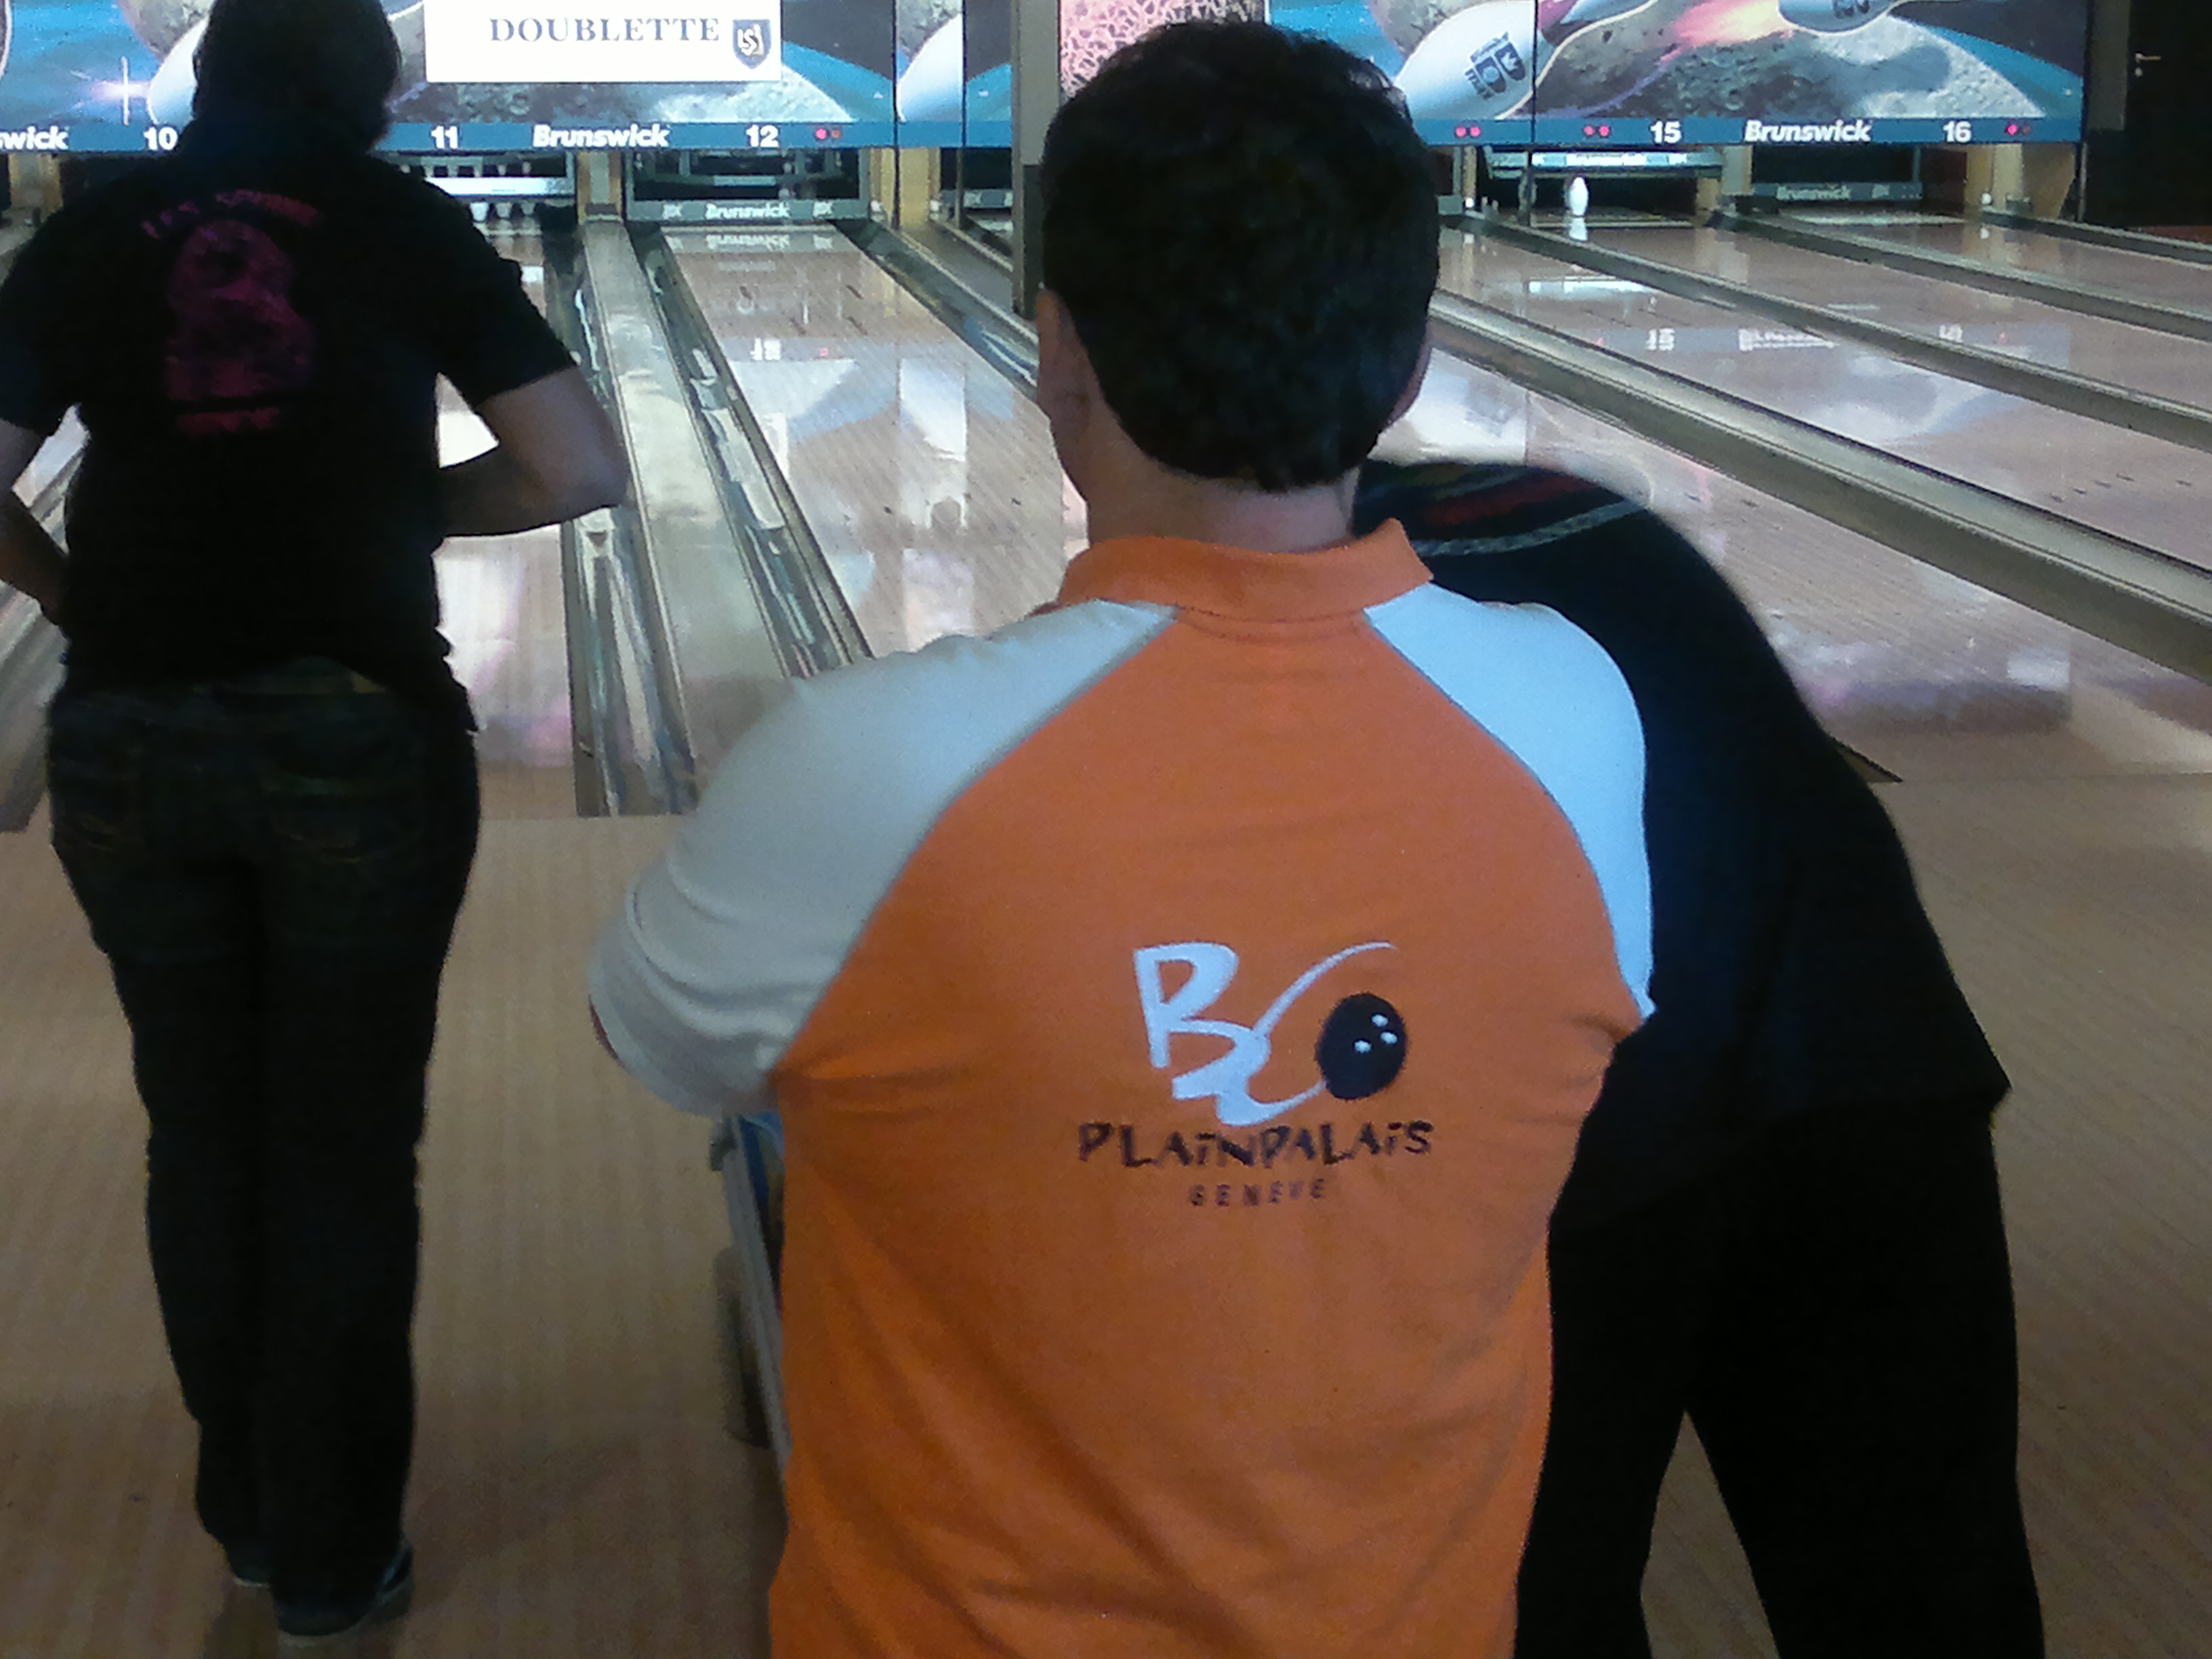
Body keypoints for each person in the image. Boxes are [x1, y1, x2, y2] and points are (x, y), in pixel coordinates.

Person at [590, 22, 1650, 1658]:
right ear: (1411, 362)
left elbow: (654, 1037)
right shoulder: (1575, 718)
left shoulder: (859, 769)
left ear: (1058, 347)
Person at [0, 0, 626, 1643]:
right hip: (357, 728)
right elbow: (576, 470)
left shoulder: (89, 233)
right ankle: (340, 1561)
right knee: (343, 1151)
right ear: (378, 99)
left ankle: (251, 1519)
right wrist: (399, 509)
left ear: (204, 81)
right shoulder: (401, 219)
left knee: (199, 1132)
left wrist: (73, 593)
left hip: (130, 739)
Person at [1355, 459, 2044, 1658]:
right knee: (1929, 1598)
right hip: (1867, 1051)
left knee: (1538, 1596)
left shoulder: (1260, 626)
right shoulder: (1567, 511)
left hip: (1600, 1140)